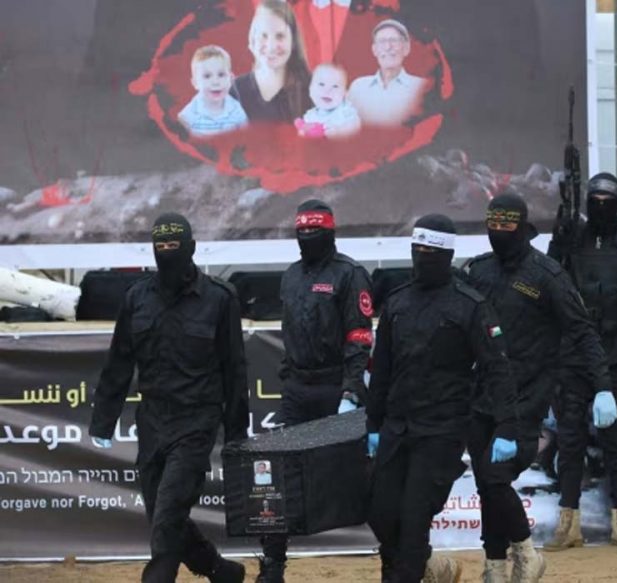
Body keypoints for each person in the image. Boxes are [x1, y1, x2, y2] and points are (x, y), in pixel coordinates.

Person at [88, 212, 248, 583]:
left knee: (169, 511)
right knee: (162, 514)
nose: (167, 253)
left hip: (197, 421)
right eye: (161, 246)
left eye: (174, 245)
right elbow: (119, 361)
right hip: (152, 421)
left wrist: (237, 434)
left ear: (191, 248)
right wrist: (103, 421)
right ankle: (221, 571)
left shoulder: (220, 298)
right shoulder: (137, 298)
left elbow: (235, 370)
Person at [465, 191, 617, 582]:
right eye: (492, 223)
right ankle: (495, 566)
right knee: (486, 484)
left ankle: (526, 553)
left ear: (522, 226)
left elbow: (582, 332)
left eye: (507, 224)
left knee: (496, 477)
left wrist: (603, 386)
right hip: (480, 395)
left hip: (526, 396)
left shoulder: (546, 275)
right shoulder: (478, 271)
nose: (499, 231)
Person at [367, 214, 519, 583]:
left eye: (431, 252)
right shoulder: (397, 302)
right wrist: (373, 423)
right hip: (397, 428)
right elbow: (382, 368)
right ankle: (431, 568)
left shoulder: (470, 306)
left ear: (447, 255)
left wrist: (507, 426)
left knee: (414, 518)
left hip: (441, 431)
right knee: (382, 514)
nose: (423, 257)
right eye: (417, 249)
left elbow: (497, 369)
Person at [256, 199, 374, 583]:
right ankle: (273, 566)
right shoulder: (290, 276)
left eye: (314, 231)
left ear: (329, 232)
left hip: (335, 387)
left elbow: (359, 337)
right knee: (281, 480)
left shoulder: (350, 274)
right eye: (301, 231)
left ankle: (406, 556)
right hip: (297, 389)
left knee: (356, 478)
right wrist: (288, 377)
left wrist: (351, 392)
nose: (307, 236)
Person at [544, 172, 617, 552]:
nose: (601, 207)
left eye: (608, 202)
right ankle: (569, 523)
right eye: (595, 201)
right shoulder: (571, 242)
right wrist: (558, 242)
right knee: (570, 442)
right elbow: (548, 289)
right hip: (574, 357)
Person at [232, 0, 311, 123]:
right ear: (253, 39)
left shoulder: (316, 89)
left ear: (293, 41)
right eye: (263, 35)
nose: (271, 47)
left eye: (280, 36)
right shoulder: (234, 90)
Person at [347, 19, 430, 128]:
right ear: (374, 50)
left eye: (394, 41)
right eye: (382, 41)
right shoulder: (358, 87)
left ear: (406, 48)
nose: (388, 47)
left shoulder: (422, 88)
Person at [178, 45, 248, 137]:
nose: (215, 82)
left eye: (221, 75)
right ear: (195, 83)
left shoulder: (236, 110)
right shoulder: (188, 115)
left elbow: (245, 137)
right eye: (207, 76)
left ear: (231, 79)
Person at [294, 63, 361, 139]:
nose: (327, 90)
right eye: (321, 84)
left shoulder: (344, 111)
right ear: (310, 89)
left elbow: (355, 126)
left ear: (345, 94)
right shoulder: (310, 116)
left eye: (335, 86)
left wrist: (339, 131)